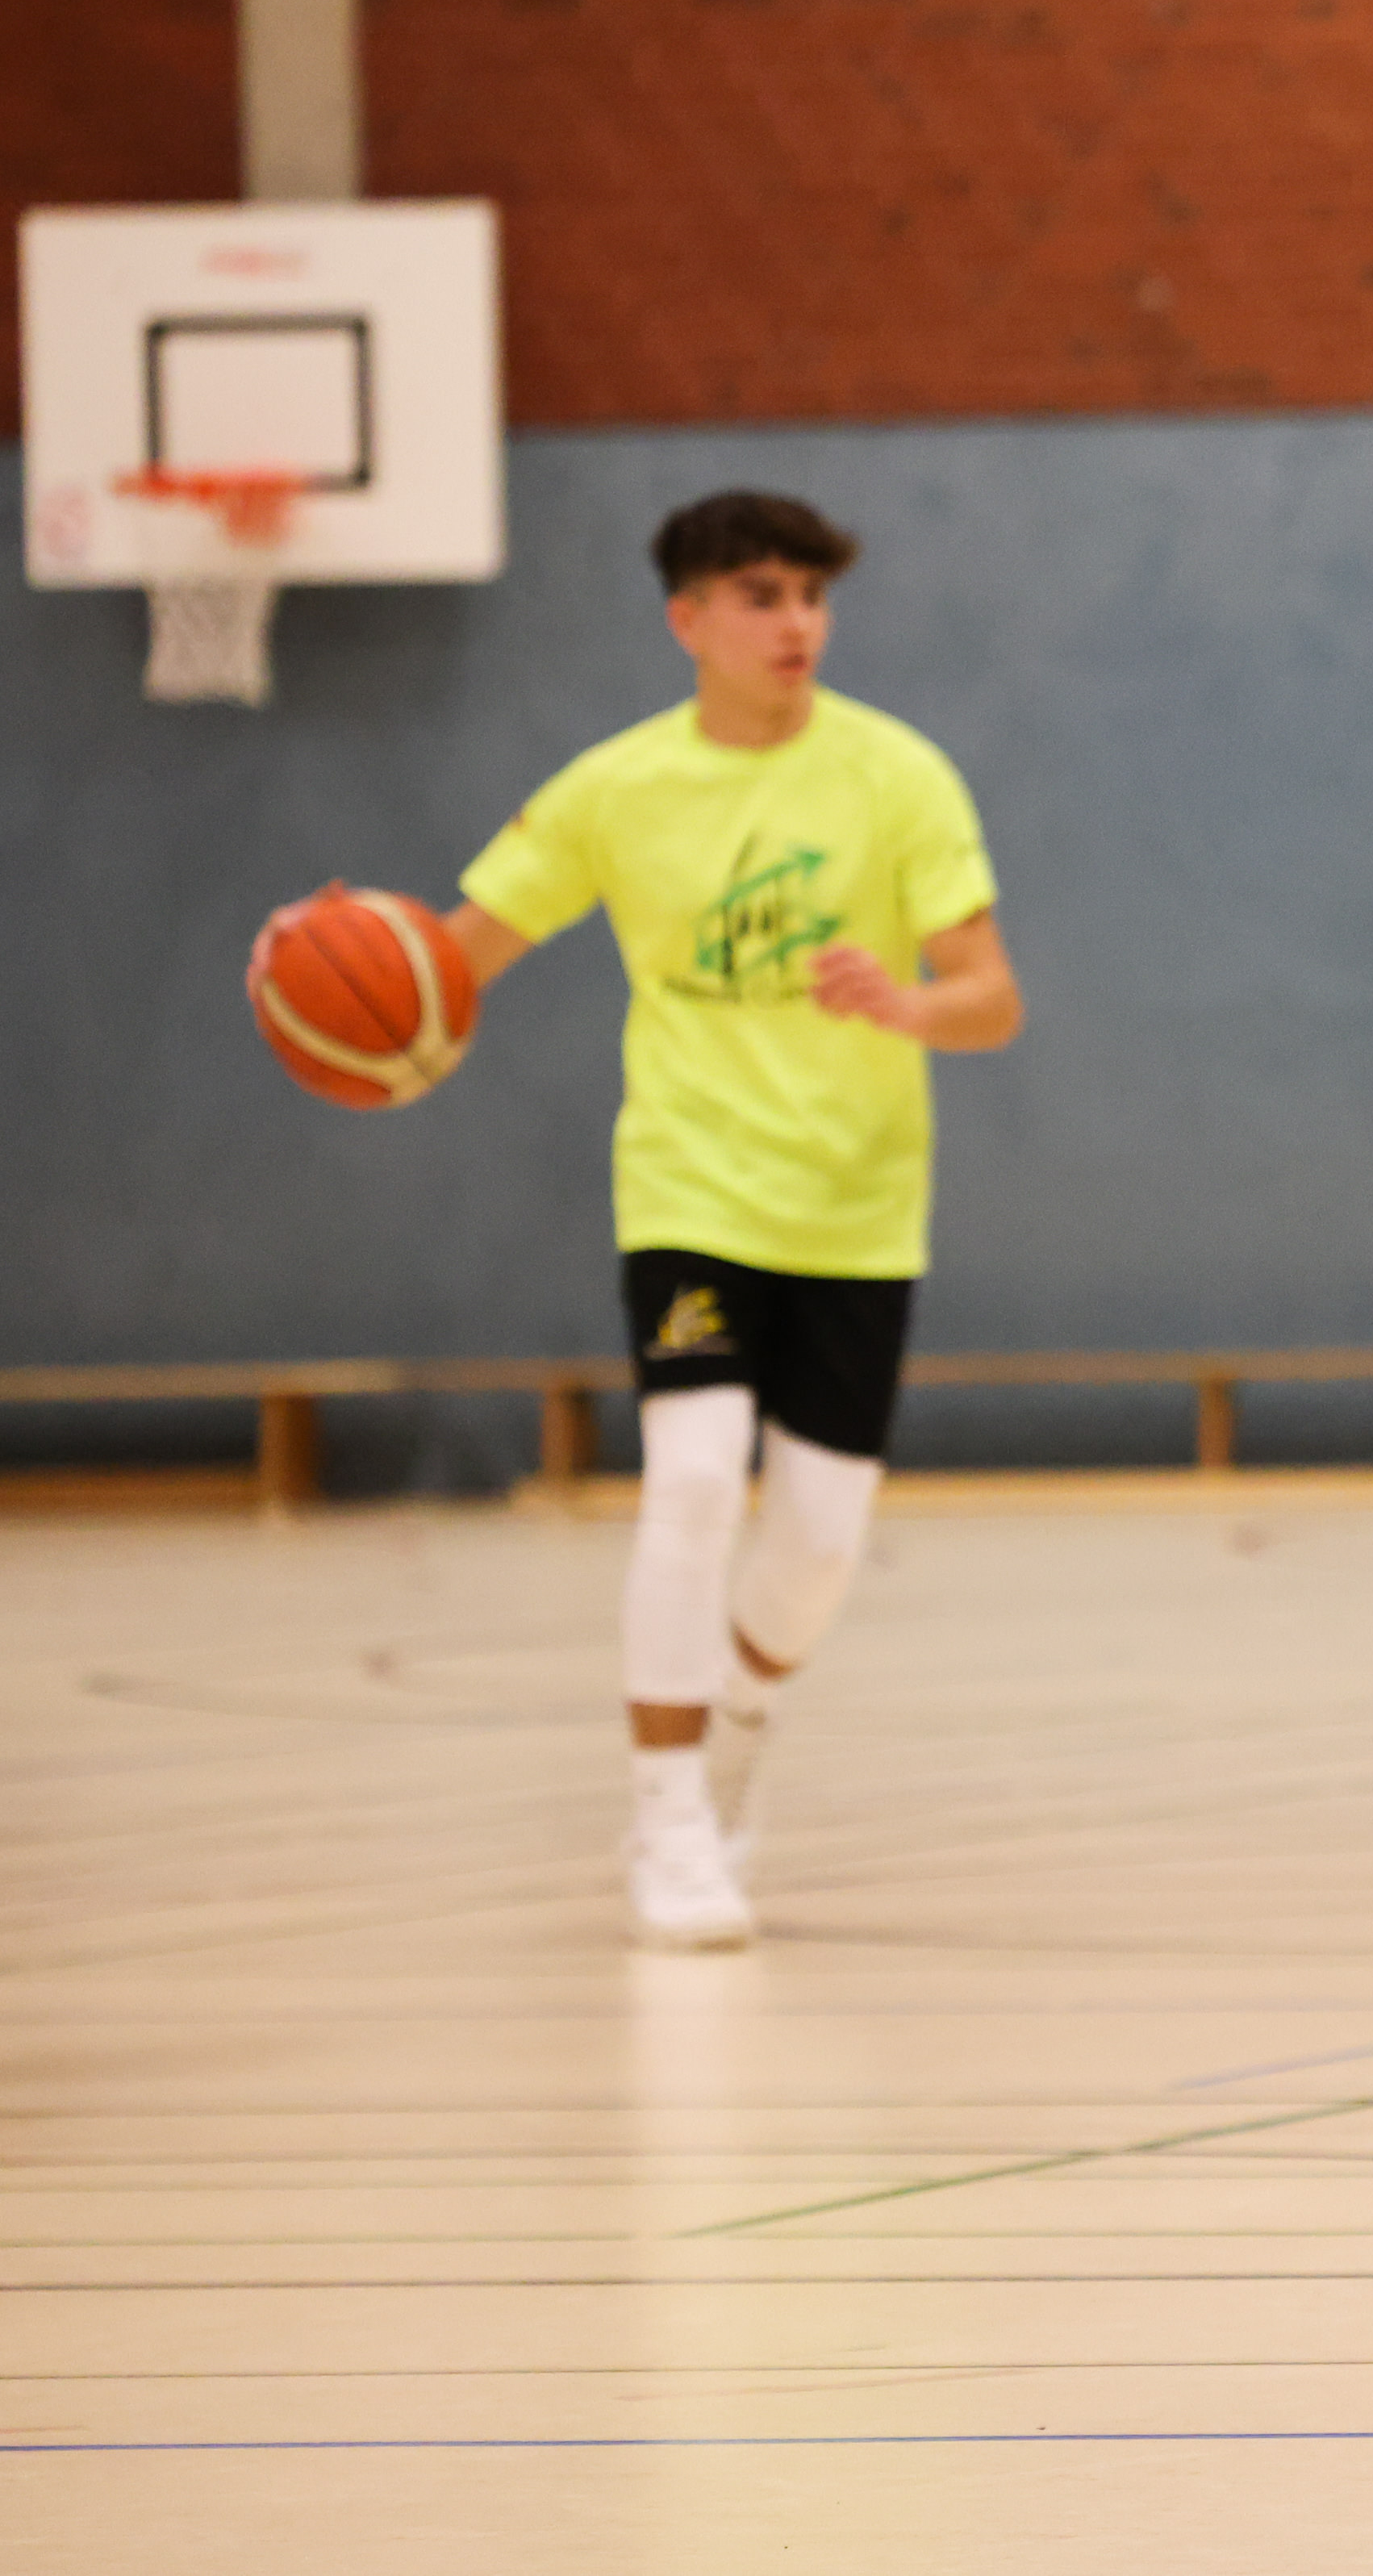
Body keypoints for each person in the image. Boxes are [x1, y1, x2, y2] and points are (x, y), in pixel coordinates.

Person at [275, 491, 1020, 1952]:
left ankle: (737, 1711)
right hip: (690, 1193)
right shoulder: (614, 791)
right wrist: (341, 969)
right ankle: (667, 1816)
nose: (795, 622)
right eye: (760, 595)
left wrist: (908, 1003)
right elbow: (449, 963)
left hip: (857, 1209)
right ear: (687, 619)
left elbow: (992, 997)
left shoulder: (898, 774)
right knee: (689, 1480)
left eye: (811, 595)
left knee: (815, 1550)